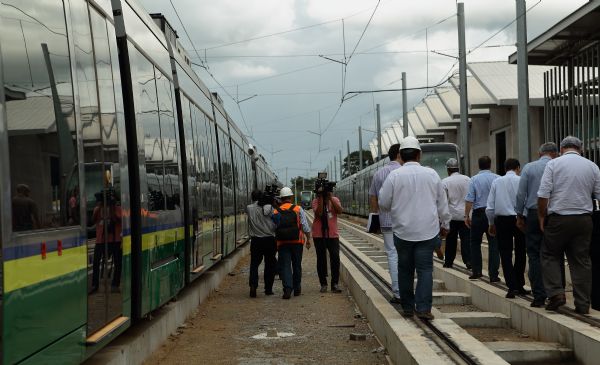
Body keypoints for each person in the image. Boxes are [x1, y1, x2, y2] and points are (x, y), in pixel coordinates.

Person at [378, 136, 451, 320]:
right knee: (425, 270)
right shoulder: (432, 174)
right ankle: (424, 308)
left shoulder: (394, 176)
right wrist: (446, 224)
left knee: (405, 269)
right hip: (427, 232)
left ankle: (408, 308)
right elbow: (443, 204)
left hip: (402, 232)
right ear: (419, 155)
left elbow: (383, 203)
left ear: (401, 156)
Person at [538, 136, 600, 314]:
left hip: (559, 219)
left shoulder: (554, 164)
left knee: (549, 254)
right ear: (580, 149)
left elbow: (543, 194)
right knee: (581, 260)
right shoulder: (592, 166)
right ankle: (582, 303)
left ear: (562, 149)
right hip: (584, 220)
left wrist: (542, 216)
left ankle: (557, 293)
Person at [515, 142, 558, 307]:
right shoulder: (558, 166)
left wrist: (519, 215)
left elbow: (521, 194)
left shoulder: (529, 168)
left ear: (540, 154)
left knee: (533, 254)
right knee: (554, 254)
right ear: (555, 153)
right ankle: (555, 293)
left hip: (533, 215)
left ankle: (539, 295)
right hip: (555, 214)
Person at [486, 158, 527, 298]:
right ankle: (520, 283)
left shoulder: (497, 182)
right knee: (521, 252)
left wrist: (491, 223)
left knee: (505, 253)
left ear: (505, 169)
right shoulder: (521, 180)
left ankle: (511, 287)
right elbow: (525, 200)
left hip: (502, 220)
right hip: (519, 219)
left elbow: (490, 206)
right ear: (518, 168)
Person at [368, 143, 402, 303]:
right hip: (405, 222)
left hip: (387, 222)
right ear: (400, 155)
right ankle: (408, 290)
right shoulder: (403, 172)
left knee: (392, 255)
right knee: (406, 256)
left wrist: (376, 217)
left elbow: (373, 199)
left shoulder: (379, 174)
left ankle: (397, 292)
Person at [273, 187, 312, 299]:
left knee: (285, 265)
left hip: (282, 243)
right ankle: (297, 288)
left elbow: (273, 227)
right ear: (291, 197)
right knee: (296, 265)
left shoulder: (276, 211)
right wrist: (308, 239)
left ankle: (287, 289)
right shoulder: (298, 209)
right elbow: (305, 226)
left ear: (281, 198)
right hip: (297, 241)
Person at [465, 156, 500, 281]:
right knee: (494, 244)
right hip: (493, 214)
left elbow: (469, 199)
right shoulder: (497, 178)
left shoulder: (474, 179)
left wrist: (466, 216)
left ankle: (477, 271)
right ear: (490, 164)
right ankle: (493, 275)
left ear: (479, 165)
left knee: (474, 243)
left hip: (478, 214)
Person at [312, 185, 343, 293]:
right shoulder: (316, 201)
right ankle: (323, 284)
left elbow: (339, 211)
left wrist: (330, 198)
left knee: (335, 259)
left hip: (332, 235)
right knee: (321, 259)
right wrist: (320, 197)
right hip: (319, 235)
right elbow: (319, 213)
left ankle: (335, 283)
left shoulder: (334, 200)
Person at [441, 158, 471, 269]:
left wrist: (443, 221)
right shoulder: (467, 179)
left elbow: (443, 202)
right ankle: (468, 261)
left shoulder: (445, 182)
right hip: (465, 216)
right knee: (466, 240)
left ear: (448, 170)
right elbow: (471, 198)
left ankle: (448, 262)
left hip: (452, 216)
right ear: (458, 168)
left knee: (451, 241)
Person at [247, 189, 277, 298]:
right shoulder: (269, 208)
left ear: (252, 197)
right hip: (269, 240)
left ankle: (253, 285)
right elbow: (275, 220)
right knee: (269, 265)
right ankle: (268, 289)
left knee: (254, 264)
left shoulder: (249, 208)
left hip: (256, 241)